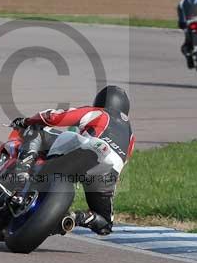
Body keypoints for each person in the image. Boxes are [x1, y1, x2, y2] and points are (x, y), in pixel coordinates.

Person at [9, 85, 135, 236]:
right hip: (109, 171)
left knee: (36, 130)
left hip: (89, 149)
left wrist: (26, 121)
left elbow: (55, 117)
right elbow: (124, 160)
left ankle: (21, 176)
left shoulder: (100, 112)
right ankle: (73, 218)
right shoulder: (131, 136)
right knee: (105, 223)